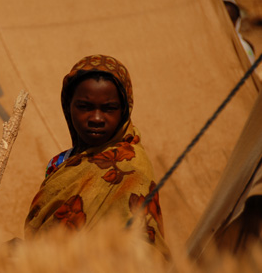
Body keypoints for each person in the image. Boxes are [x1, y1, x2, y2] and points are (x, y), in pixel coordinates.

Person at [24, 54, 170, 258]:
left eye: (109, 108)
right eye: (84, 107)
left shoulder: (132, 167)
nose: (96, 118)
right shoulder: (60, 163)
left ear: (125, 111)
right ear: (68, 107)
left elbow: (143, 248)